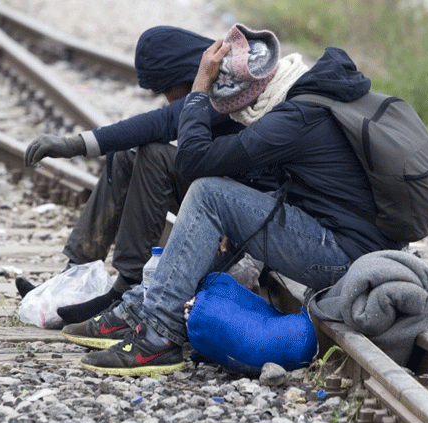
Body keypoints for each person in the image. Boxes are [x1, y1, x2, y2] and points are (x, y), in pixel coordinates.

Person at [61, 23, 406, 376]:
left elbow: (193, 159)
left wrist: (198, 89)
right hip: (339, 238)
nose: (222, 111)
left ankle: (158, 337)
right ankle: (137, 308)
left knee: (209, 194)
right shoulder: (295, 96)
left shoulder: (289, 120)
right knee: (216, 193)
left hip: (342, 256)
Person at [19, 26, 272, 324]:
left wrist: (74, 144)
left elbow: (163, 122)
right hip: (227, 192)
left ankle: (125, 287)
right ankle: (74, 278)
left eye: (166, 89)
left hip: (253, 213)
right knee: (126, 153)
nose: (166, 98)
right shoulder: (222, 75)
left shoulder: (231, 86)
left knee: (153, 153)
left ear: (184, 76)